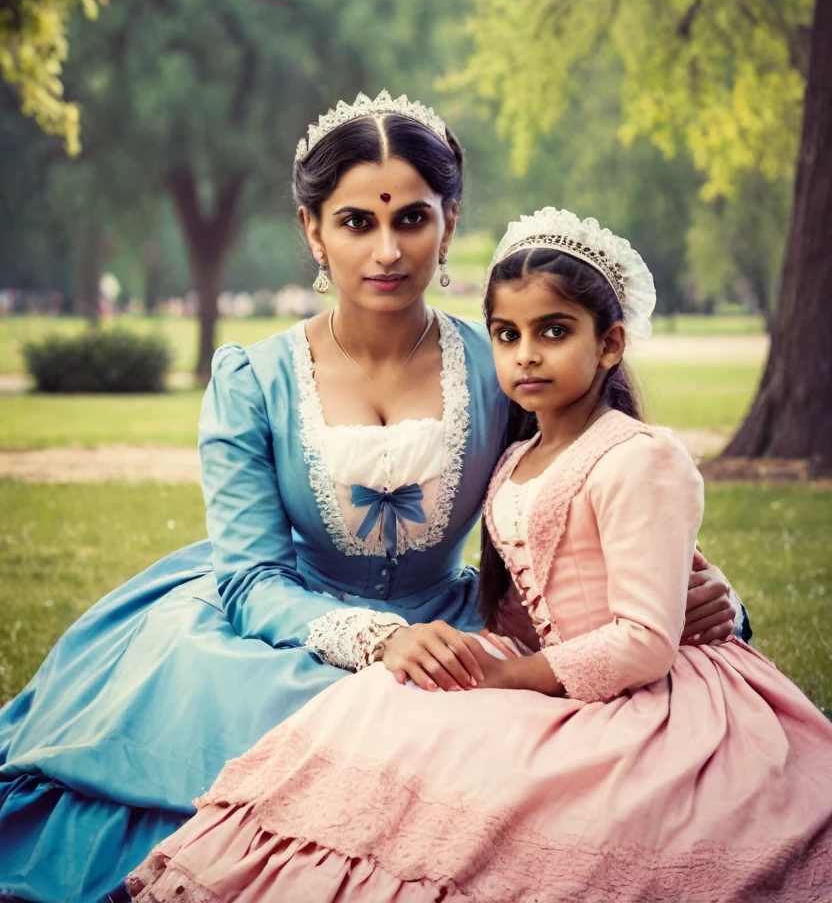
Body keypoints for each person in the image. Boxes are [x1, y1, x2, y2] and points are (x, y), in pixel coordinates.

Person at [0, 101, 740, 903]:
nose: (387, 250)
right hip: (278, 627)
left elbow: (589, 483)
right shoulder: (255, 380)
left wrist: (691, 586)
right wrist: (377, 639)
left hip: (455, 623)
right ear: (314, 231)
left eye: (413, 219)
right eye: (356, 221)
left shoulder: (501, 360)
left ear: (449, 225)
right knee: (325, 726)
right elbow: (248, 578)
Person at [126, 206, 832, 903]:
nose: (525, 354)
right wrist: (482, 654)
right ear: (312, 229)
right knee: (376, 705)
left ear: (610, 344)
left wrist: (715, 599)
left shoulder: (628, 451)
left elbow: (641, 609)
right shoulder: (517, 450)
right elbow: (535, 583)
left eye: (552, 332)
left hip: (635, 684)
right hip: (489, 646)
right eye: (507, 334)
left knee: (475, 754)